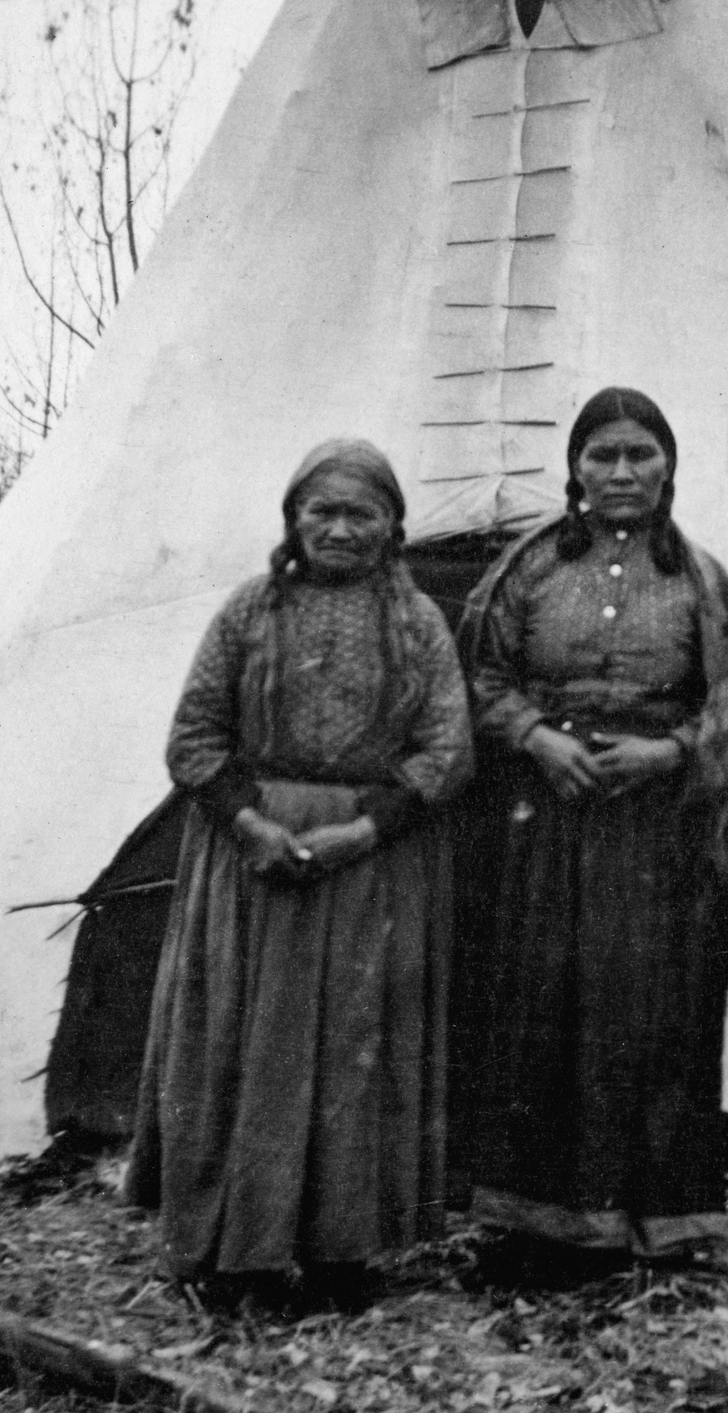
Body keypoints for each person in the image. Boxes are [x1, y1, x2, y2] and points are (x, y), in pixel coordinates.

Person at [126, 437, 474, 1315]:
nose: (341, 529)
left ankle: (339, 1252)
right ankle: (233, 1249)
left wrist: (363, 830)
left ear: (394, 525)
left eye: (363, 513)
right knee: (246, 1048)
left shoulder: (417, 622)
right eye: (322, 511)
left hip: (369, 871)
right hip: (253, 871)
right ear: (292, 519)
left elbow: (447, 750)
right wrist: (251, 825)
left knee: (354, 1056)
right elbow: (193, 740)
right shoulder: (250, 611)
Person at [455, 386, 728, 1276]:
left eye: (640, 454)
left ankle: (655, 1222)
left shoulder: (699, 579)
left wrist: (667, 753)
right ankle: (541, 1226)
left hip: (658, 841)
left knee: (650, 1015)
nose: (622, 472)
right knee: (543, 1008)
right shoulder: (529, 568)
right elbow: (477, 677)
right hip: (544, 829)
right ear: (576, 468)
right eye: (604, 456)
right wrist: (536, 736)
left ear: (669, 466)